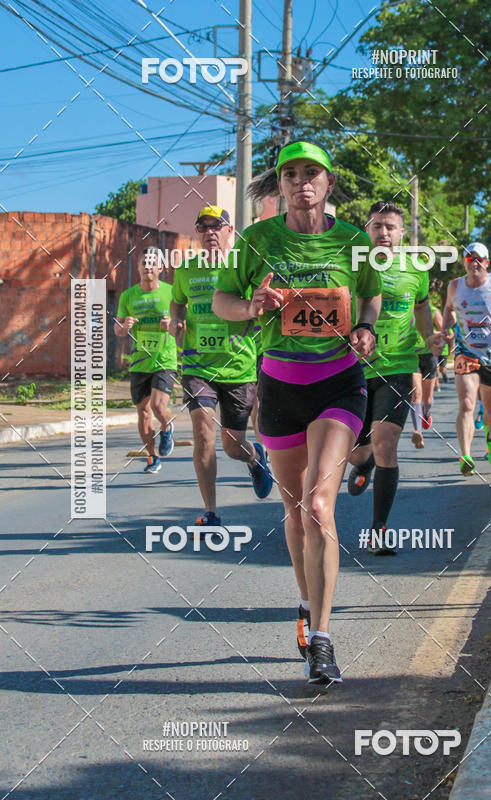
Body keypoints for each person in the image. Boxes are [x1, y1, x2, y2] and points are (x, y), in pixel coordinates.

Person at [213, 140, 381, 683]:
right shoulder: (258, 240)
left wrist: (365, 328)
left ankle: (325, 640)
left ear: (329, 183)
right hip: (279, 387)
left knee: (319, 504)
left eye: (313, 173)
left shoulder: (355, 241)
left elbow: (371, 295)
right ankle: (308, 607)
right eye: (291, 174)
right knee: (293, 511)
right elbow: (224, 303)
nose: (302, 181)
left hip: (338, 385)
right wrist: (252, 306)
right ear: (280, 184)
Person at [346, 201, 443, 555]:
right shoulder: (352, 264)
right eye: (377, 227)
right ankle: (364, 462)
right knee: (357, 453)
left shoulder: (416, 268)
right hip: (352, 368)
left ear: (402, 233)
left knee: (387, 443)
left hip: (398, 368)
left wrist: (429, 339)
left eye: (390, 227)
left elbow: (421, 307)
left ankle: (379, 530)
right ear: (367, 230)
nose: (383, 233)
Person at [169, 205, 273, 527]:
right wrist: (176, 321)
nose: (210, 232)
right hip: (198, 365)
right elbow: (177, 301)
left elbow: (260, 300)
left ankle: (254, 458)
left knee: (232, 446)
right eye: (203, 227)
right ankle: (211, 511)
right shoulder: (186, 270)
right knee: (203, 432)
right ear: (198, 233)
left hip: (239, 366)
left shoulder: (242, 268)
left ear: (230, 231)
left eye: (218, 226)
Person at [441, 242, 491, 475]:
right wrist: (445, 329)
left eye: (479, 259)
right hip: (465, 352)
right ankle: (465, 455)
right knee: (467, 403)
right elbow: (449, 309)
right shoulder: (455, 286)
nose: (474, 263)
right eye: (470, 259)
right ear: (464, 262)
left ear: (487, 263)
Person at [115, 247, 177, 474]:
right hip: (140, 360)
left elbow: (184, 326)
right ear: (139, 266)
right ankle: (153, 457)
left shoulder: (171, 293)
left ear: (161, 268)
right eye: (144, 262)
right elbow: (118, 330)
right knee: (142, 410)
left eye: (153, 263)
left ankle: (167, 426)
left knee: (158, 406)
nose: (148, 266)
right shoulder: (128, 296)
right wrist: (124, 327)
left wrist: (170, 325)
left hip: (164, 359)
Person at [410, 304, 444, 446]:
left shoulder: (433, 311)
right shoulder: (405, 309)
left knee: (428, 400)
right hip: (412, 355)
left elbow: (444, 332)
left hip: (429, 356)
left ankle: (426, 412)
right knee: (416, 394)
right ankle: (417, 432)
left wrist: (432, 335)